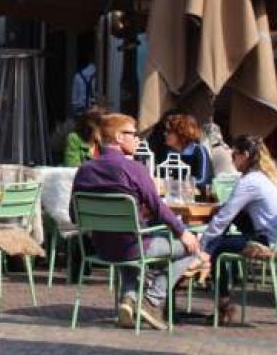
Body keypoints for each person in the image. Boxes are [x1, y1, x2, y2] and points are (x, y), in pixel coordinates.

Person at [70, 112, 203, 330]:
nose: (139, 139)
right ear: (119, 137)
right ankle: (152, 300)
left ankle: (128, 301)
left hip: (100, 248)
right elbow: (158, 207)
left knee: (128, 236)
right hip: (134, 246)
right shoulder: (134, 168)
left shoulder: (84, 170)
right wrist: (183, 232)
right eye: (134, 134)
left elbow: (75, 215)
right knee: (191, 249)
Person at [198, 135, 277, 325]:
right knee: (227, 222)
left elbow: (225, 217)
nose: (232, 160)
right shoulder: (273, 176)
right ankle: (204, 262)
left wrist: (203, 243)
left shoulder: (251, 181)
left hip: (270, 242)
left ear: (245, 155)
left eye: (234, 155)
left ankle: (223, 306)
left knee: (217, 247)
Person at [160, 112, 212, 190]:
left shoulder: (199, 151)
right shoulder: (170, 153)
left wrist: (177, 185)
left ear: (182, 133)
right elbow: (163, 176)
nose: (165, 134)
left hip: (197, 200)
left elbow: (203, 180)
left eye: (169, 132)